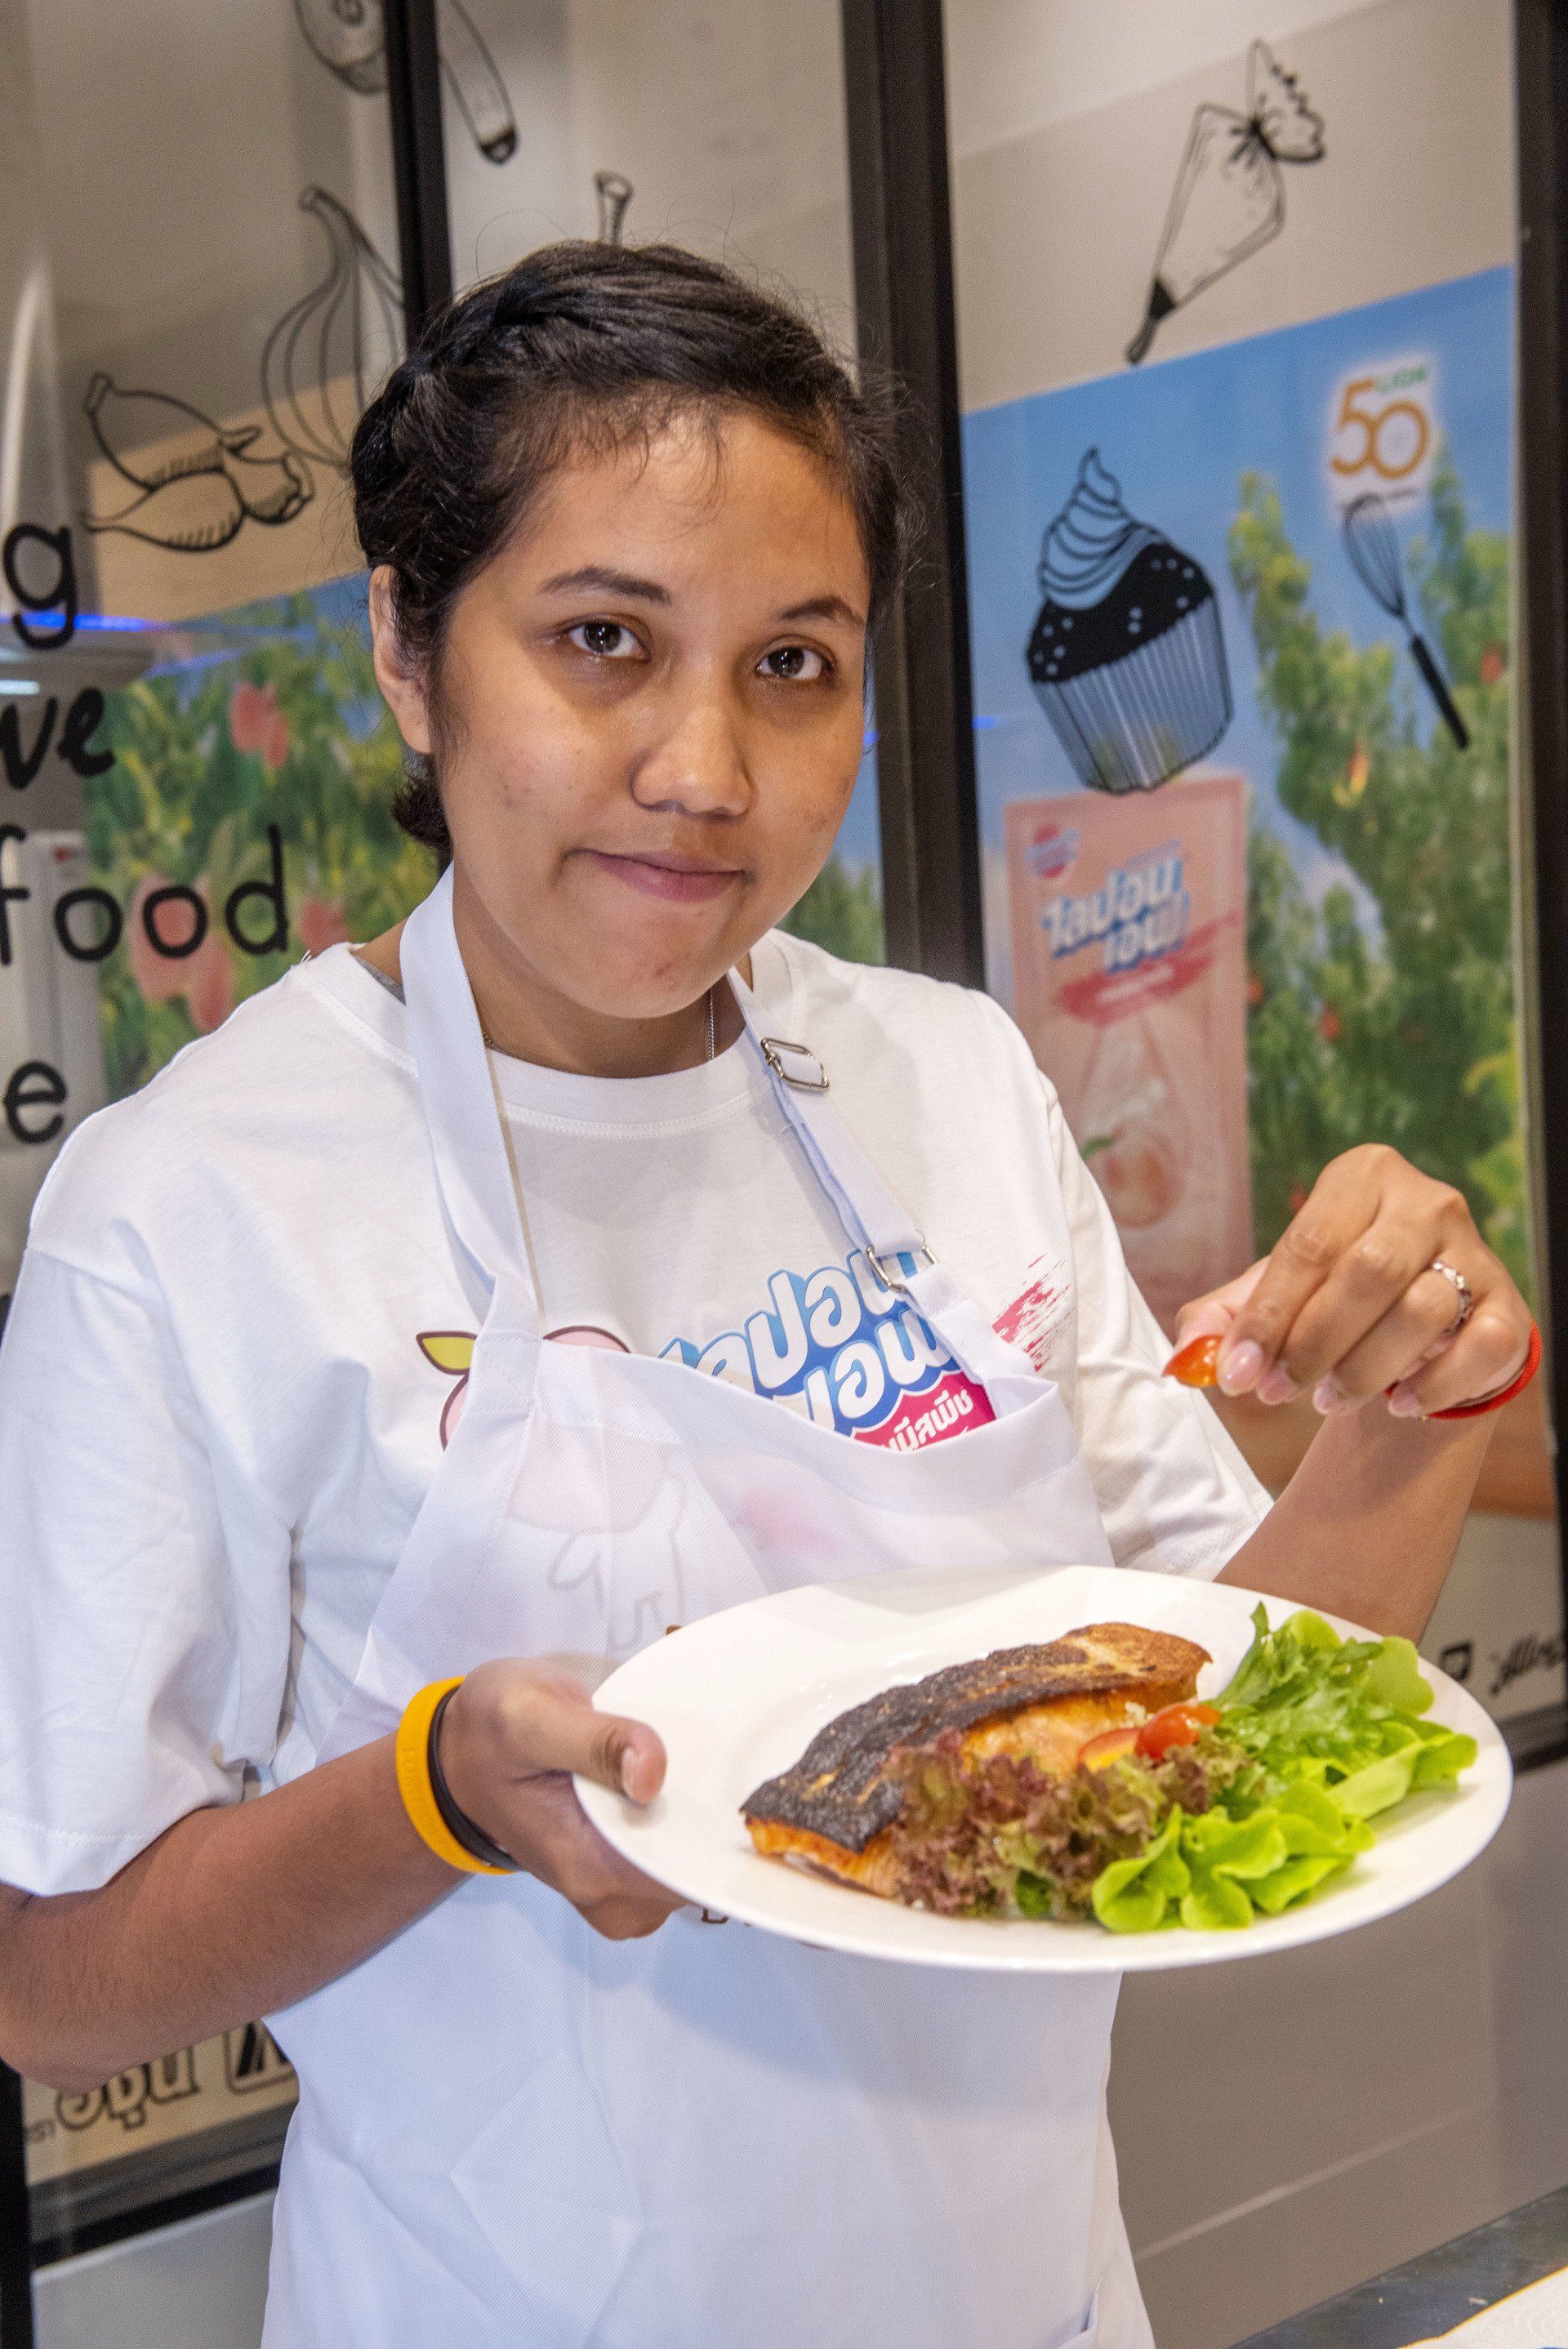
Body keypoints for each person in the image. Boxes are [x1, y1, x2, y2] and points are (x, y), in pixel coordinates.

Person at [0, 243, 1534, 2349]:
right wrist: (431, 1793)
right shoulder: (191, 1209)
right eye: (604, 642)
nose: (707, 767)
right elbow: (58, 1983)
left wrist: (1411, 1405)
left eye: (794, 664)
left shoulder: (947, 1080)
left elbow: (1252, 1694)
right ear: (408, 649)